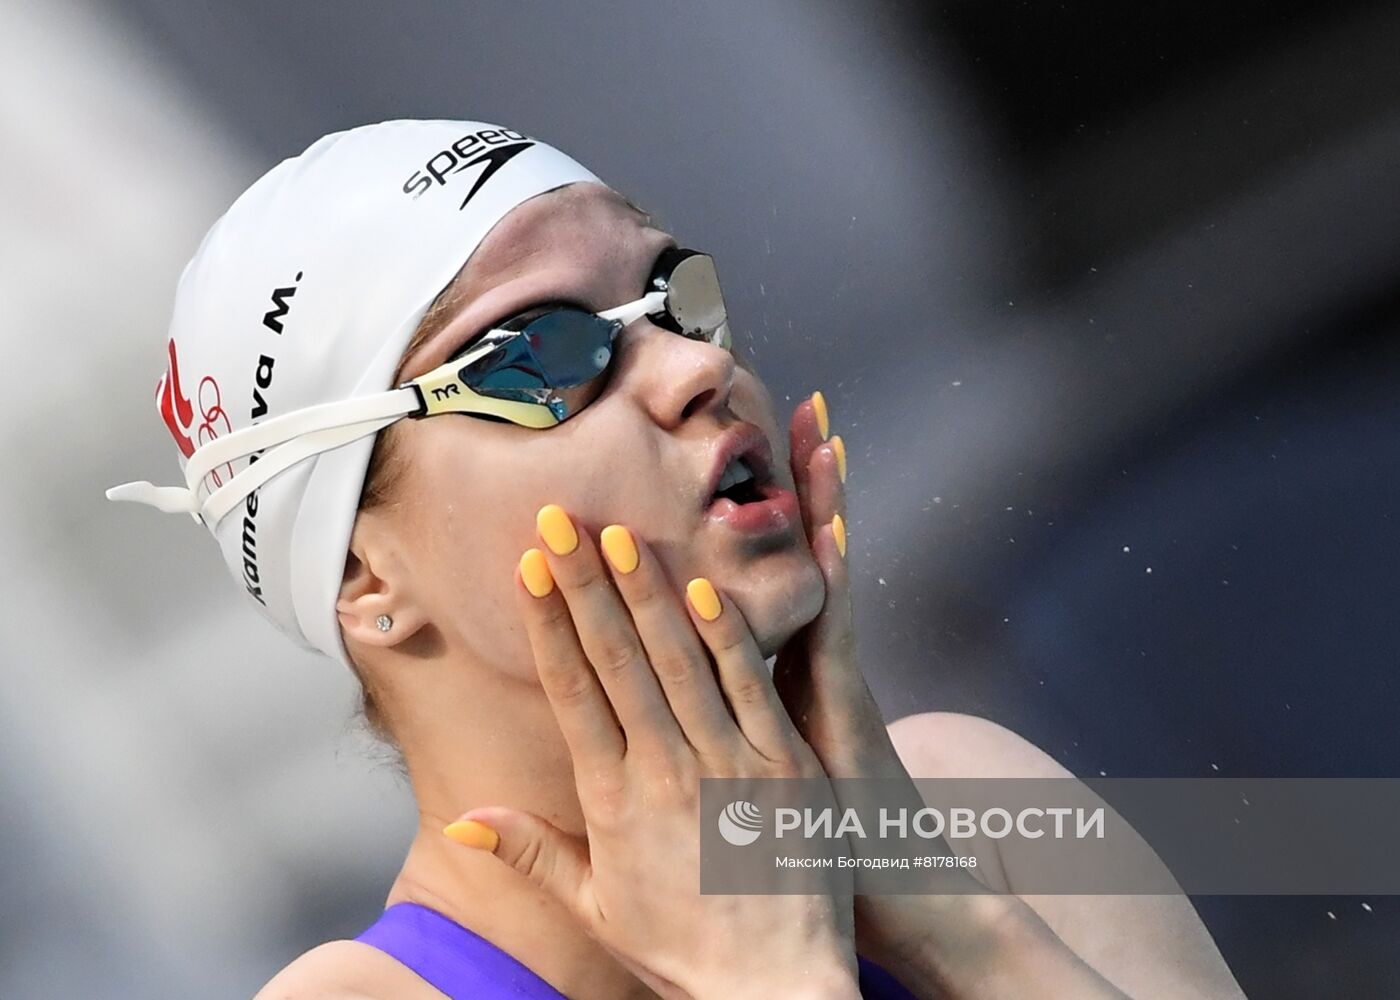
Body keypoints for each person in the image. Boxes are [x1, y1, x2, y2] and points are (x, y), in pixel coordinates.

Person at [108, 119, 1244, 999]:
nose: (690, 370)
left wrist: (972, 941)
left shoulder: (973, 815)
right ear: (363, 574)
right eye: (543, 352)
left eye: (670, 301)